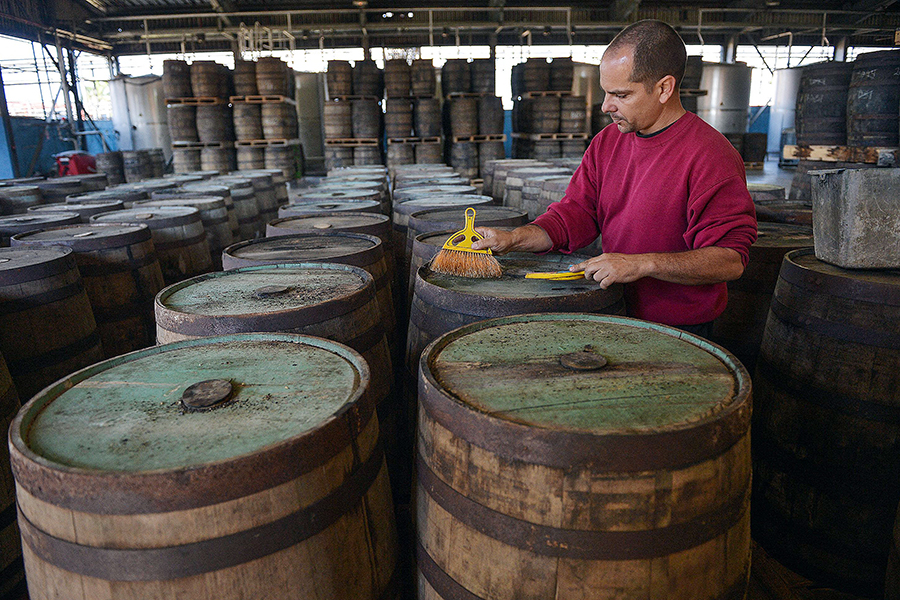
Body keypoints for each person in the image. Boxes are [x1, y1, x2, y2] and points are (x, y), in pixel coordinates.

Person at [473, 19, 757, 337]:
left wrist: (640, 264)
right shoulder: (607, 142)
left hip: (679, 329)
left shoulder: (710, 155)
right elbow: (576, 214)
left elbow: (729, 259)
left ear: (664, 88)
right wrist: (515, 238)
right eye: (607, 92)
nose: (607, 105)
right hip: (614, 309)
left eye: (621, 95)